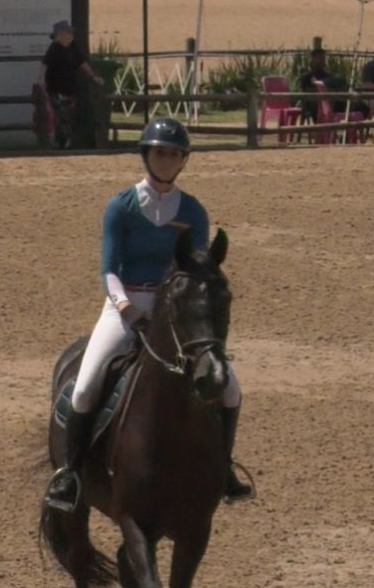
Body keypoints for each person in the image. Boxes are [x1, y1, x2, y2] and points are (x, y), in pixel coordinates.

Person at [44, 115, 251, 511]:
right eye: (160, 153)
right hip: (124, 306)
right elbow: (108, 268)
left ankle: (224, 470)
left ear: (183, 160)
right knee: (85, 388)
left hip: (174, 310)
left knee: (230, 389)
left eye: (174, 154)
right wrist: (126, 308)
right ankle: (70, 474)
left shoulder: (193, 211)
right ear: (146, 155)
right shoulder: (120, 206)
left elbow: (195, 269)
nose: (166, 160)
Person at [40, 20, 103, 149]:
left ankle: (64, 142)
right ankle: (60, 142)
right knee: (60, 116)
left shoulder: (73, 46)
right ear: (61, 35)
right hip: (56, 89)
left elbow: (82, 62)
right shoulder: (54, 48)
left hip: (70, 89)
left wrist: (93, 76)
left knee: (67, 116)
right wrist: (41, 81)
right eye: (69, 32)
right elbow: (44, 65)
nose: (71, 34)